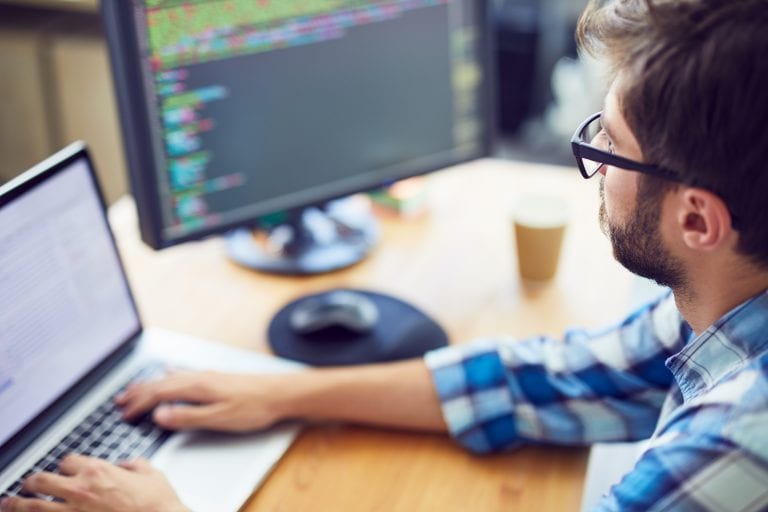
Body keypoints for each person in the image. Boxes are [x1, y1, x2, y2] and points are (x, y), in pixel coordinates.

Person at [4, 0, 768, 510]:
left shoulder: (739, 440)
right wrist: (281, 395)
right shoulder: (727, 299)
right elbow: (548, 379)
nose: (594, 163)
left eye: (610, 143)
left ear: (697, 219)